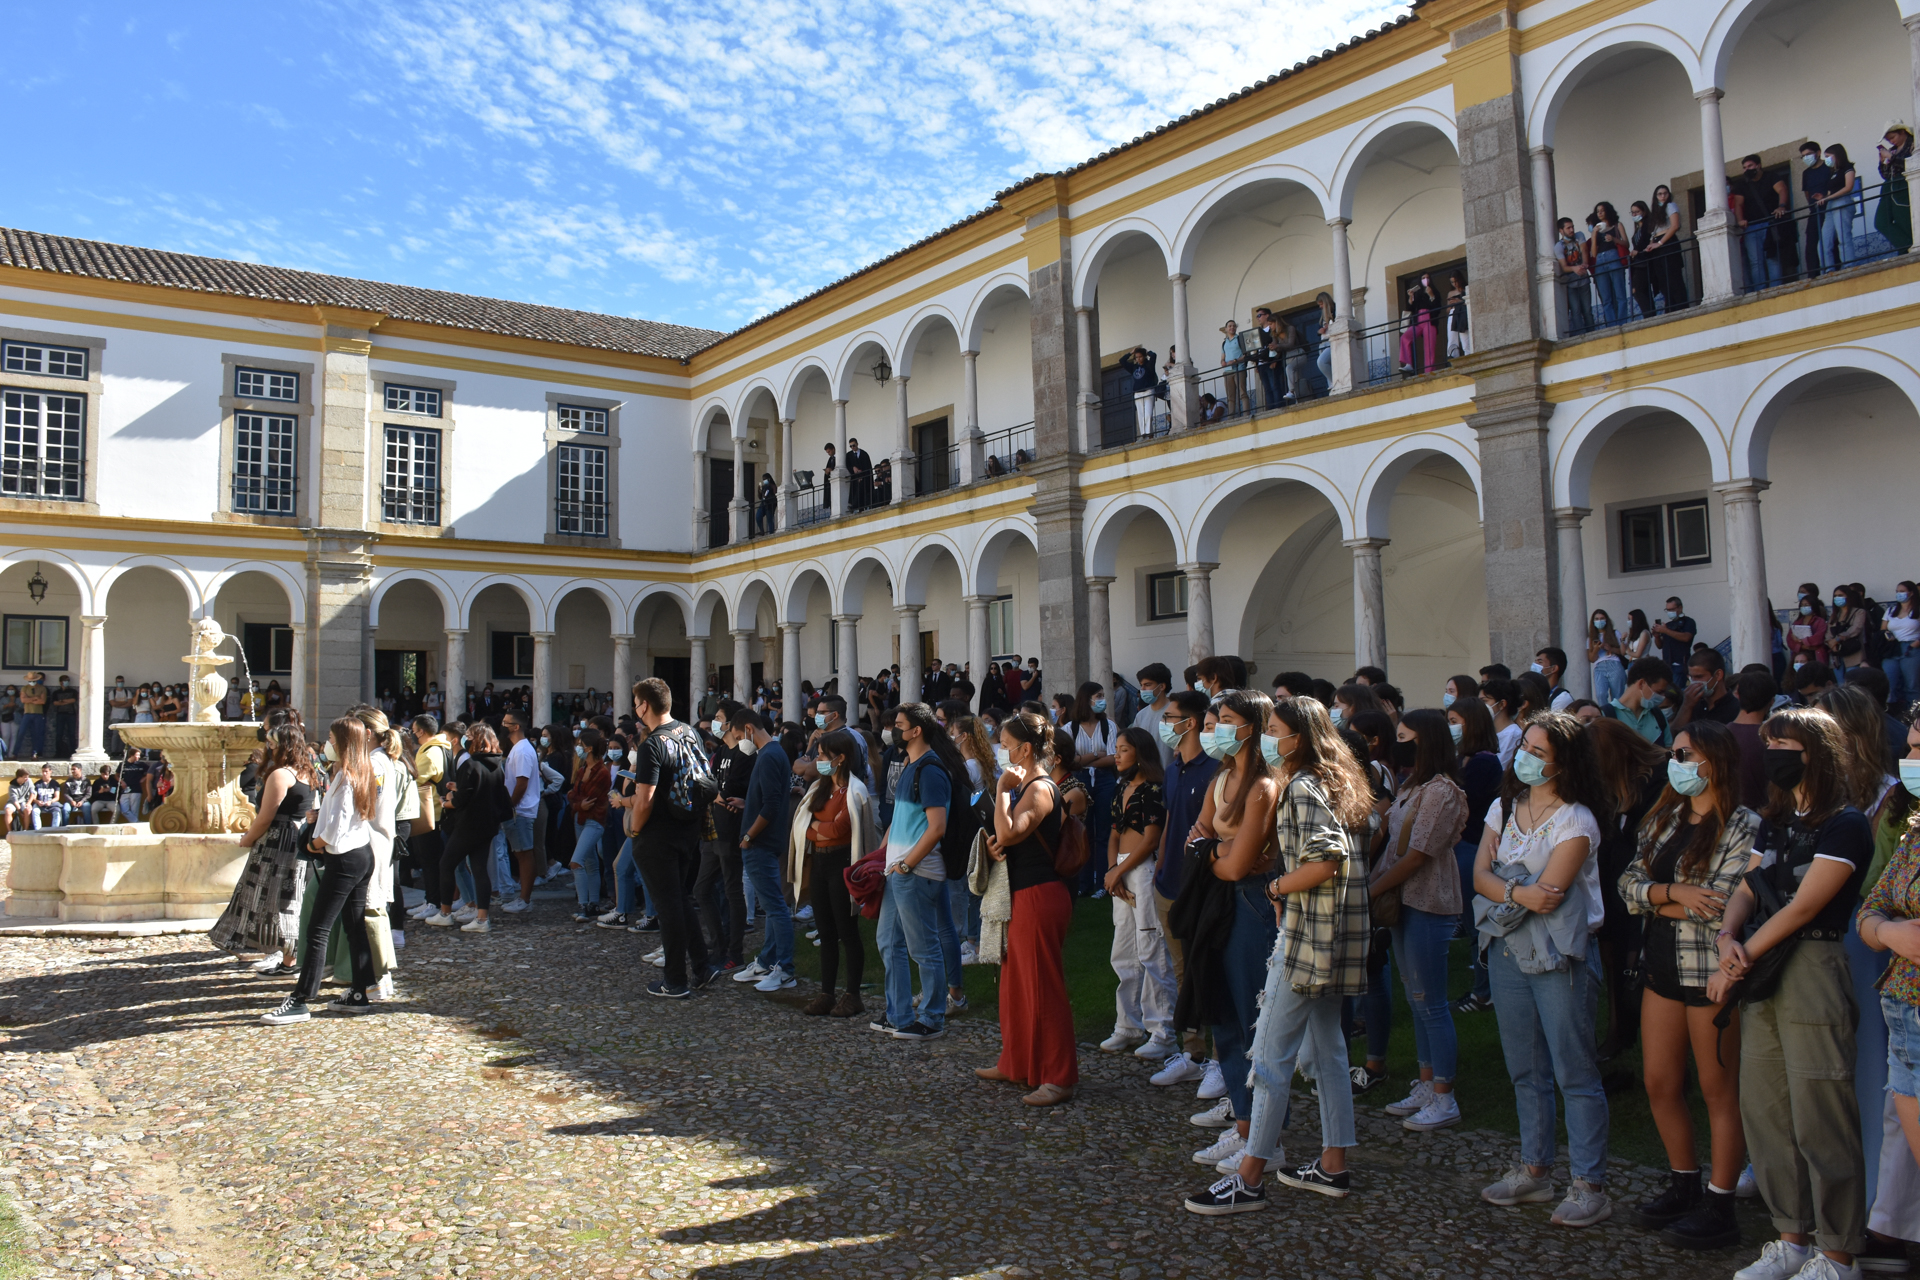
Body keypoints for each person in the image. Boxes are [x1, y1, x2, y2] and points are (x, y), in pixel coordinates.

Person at [1184, 693, 1373, 1213]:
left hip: (1306, 937)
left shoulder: (1303, 787)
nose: (1267, 737)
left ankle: (1250, 1174)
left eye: (1274, 729)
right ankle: (1332, 1165)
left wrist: (1277, 888)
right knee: (1328, 1053)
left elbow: (1327, 858)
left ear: (1298, 738)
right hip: (1338, 936)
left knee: (1267, 1056)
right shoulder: (1338, 782)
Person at [1711, 706, 1869, 1279]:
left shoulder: (1845, 823)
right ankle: (1791, 1237)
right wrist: (1729, 935)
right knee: (1768, 1109)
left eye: (1785, 744)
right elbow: (1749, 886)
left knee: (1821, 1114)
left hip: (1809, 966)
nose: (1773, 752)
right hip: (1761, 967)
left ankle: (1839, 1251)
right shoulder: (1773, 820)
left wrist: (1742, 955)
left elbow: (1807, 905)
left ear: (1817, 753)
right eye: (1769, 741)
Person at [1617, 721, 1758, 1249]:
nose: (1674, 762)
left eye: (1684, 753)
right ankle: (1683, 1183)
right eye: (1674, 752)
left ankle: (1721, 1204)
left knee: (1718, 1089)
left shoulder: (1742, 824)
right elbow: (1628, 884)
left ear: (1714, 760)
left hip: (1710, 973)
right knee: (1660, 1081)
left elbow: (1720, 904)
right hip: (1661, 965)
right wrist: (1673, 890)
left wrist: (1657, 896)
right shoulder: (1667, 814)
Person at [1474, 711, 1613, 1228]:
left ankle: (1589, 1183)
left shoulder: (1576, 820)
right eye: (1524, 747)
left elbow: (1551, 894)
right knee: (1525, 1068)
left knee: (1572, 1068)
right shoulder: (1503, 807)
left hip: (1559, 954)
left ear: (1564, 762)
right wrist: (1516, 890)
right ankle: (1535, 1168)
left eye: (1539, 751)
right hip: (1508, 948)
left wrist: (1504, 888)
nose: (1526, 757)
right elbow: (1482, 877)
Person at [1177, 689, 1281, 1175]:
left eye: (1228, 719)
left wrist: (1214, 853)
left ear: (1253, 727)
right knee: (1222, 1014)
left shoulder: (1263, 784)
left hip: (1250, 904)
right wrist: (1218, 851)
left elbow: (1239, 865)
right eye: (1216, 718)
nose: (1217, 726)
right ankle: (1242, 1122)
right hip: (1215, 902)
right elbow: (1196, 839)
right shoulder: (1222, 776)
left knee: (1249, 1019)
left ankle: (1263, 1135)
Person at [1366, 707, 1469, 1133]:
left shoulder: (1443, 791)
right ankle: (1427, 1083)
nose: (1398, 741)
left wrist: (1370, 891)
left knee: (1432, 1001)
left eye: (1404, 735)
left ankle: (1444, 1094)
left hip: (1428, 902)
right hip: (1402, 903)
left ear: (1423, 740)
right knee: (1416, 998)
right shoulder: (1413, 786)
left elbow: (1418, 854)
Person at [261, 717, 395, 1024]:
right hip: (360, 854)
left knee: (318, 929)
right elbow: (350, 815)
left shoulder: (346, 775)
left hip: (345, 858)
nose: (327, 746)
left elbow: (335, 829)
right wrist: (320, 817)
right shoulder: (362, 771)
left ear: (343, 743)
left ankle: (300, 999)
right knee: (353, 925)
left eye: (332, 740)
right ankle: (359, 993)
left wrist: (314, 844)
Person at [976, 709, 1078, 1105]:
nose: (1001, 752)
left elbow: (1009, 829)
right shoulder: (1026, 786)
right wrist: (993, 845)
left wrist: (1001, 790)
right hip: (1022, 893)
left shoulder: (1038, 788)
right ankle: (1016, 1061)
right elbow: (1005, 837)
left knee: (1043, 986)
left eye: (1005, 746)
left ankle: (1059, 1076)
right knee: (1016, 985)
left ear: (1024, 749)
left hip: (1039, 895)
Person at [1149, 688, 1223, 1090]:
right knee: (1181, 972)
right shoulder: (1175, 767)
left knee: (1207, 970)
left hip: (1203, 886)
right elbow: (1170, 819)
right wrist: (1160, 866)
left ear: (1189, 722)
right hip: (1169, 883)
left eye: (1170, 717)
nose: (1164, 724)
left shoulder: (1213, 768)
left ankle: (1217, 1057)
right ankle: (1192, 1050)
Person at [628, 677, 717, 998]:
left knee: (668, 907)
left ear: (645, 705)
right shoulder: (687, 731)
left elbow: (645, 799)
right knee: (679, 899)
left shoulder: (652, 744)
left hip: (659, 834)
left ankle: (675, 980)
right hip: (689, 826)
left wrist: (635, 828)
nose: (634, 708)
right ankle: (702, 966)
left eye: (636, 702)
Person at [208, 724, 319, 975]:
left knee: (269, 897)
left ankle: (287, 957)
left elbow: (266, 816)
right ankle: (290, 959)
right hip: (298, 838)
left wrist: (248, 838)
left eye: (272, 744)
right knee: (291, 899)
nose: (268, 749)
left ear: (281, 747)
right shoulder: (307, 772)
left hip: (277, 842)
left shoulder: (280, 775)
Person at [1099, 727, 1176, 1061]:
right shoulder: (1121, 788)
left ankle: (1162, 1030)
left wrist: (1119, 871)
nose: (1117, 755)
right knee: (1124, 949)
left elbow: (1149, 839)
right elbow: (1115, 832)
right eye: (1116, 749)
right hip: (1121, 870)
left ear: (1140, 752)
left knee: (1151, 948)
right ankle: (1127, 1024)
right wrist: (1112, 871)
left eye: (1124, 749)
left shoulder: (1153, 790)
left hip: (1142, 871)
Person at [791, 728, 876, 1017]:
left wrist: (817, 829)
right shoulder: (820, 788)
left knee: (847, 931)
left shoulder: (854, 791)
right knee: (826, 932)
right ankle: (827, 992)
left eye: (823, 755)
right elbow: (805, 825)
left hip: (843, 863)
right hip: (821, 864)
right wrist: (819, 830)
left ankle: (853, 995)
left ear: (840, 758)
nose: (818, 759)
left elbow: (840, 829)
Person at [727, 710, 795, 993]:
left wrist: (748, 835)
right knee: (772, 905)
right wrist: (747, 803)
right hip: (765, 839)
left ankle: (785, 968)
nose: (739, 743)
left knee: (776, 908)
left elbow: (772, 805)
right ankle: (768, 960)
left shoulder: (768, 756)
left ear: (747, 729)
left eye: (736, 736)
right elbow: (768, 799)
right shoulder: (773, 753)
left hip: (761, 843)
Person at [424, 722, 506, 934]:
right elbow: (485, 791)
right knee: (479, 869)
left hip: (468, 824)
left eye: (468, 736)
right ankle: (482, 918)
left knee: (446, 864)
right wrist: (458, 789)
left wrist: (447, 801)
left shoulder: (470, 764)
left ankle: (445, 913)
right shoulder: (497, 765)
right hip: (487, 825)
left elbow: (461, 800)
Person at [700, 703, 754, 965]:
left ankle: (735, 952)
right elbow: (708, 787)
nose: (715, 723)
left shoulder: (744, 755)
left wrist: (714, 795)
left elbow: (726, 791)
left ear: (733, 724)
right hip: (712, 829)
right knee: (702, 889)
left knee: (732, 890)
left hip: (730, 829)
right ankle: (718, 944)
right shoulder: (721, 752)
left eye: (720, 718)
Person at [1071, 681, 1120, 897]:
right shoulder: (1069, 728)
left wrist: (1084, 760)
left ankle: (1102, 882)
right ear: (1086, 699)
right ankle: (1084, 882)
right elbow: (1071, 761)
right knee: (1083, 832)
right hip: (1080, 781)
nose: (1102, 699)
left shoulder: (1109, 725)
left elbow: (1112, 758)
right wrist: (1096, 756)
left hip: (1104, 781)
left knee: (1103, 832)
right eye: (1098, 696)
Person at [567, 728, 612, 924]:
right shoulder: (582, 770)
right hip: (581, 818)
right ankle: (593, 903)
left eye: (580, 745)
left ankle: (584, 904)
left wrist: (577, 803)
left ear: (589, 748)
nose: (578, 748)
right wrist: (578, 804)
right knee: (590, 862)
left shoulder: (602, 772)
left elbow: (589, 799)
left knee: (576, 862)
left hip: (594, 820)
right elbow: (573, 796)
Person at [1735, 153, 1792, 291]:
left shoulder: (1771, 177)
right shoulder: (1742, 185)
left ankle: (1775, 289)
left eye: (1750, 166)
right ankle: (1760, 291)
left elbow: (1782, 190)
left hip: (1770, 224)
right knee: (1755, 262)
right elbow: (1738, 204)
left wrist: (1782, 206)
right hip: (1751, 228)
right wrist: (1740, 220)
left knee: (1772, 258)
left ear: (1758, 165)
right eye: (1744, 167)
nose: (1747, 169)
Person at [1606, 657, 1673, 747]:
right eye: (1659, 692)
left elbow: (1668, 750)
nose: (1662, 697)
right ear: (1641, 684)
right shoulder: (1606, 715)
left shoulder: (1658, 716)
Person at [1818, 143, 1860, 275]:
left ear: (1837, 155)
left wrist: (1828, 198)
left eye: (1828, 156)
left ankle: (1849, 265)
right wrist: (1824, 197)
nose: (1826, 160)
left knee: (1843, 237)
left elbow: (1848, 187)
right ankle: (1828, 269)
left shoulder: (1848, 168)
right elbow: (1832, 191)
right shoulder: (1833, 173)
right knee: (1824, 241)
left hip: (1842, 203)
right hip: (1831, 205)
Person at [1587, 203, 1631, 328]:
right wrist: (1594, 234)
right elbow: (1593, 253)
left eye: (1602, 210)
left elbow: (1626, 243)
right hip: (1600, 261)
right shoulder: (1596, 229)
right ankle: (1612, 325)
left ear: (1608, 211)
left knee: (1620, 294)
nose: (1600, 213)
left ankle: (1622, 322)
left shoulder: (1617, 225)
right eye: (1598, 211)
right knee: (1606, 298)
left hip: (1614, 257)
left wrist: (1614, 239)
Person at [1672, 649, 1739, 729]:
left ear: (1718, 675)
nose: (1694, 682)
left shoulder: (1736, 707)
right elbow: (1674, 735)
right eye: (1691, 677)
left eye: (1699, 677)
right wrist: (1686, 706)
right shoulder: (1691, 704)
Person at [1882, 580, 1920, 714]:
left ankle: (1914, 714)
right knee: (1889, 681)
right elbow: (1883, 628)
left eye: (1902, 591)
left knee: (1912, 684)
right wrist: (1888, 636)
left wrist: (1916, 643)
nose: (1899, 594)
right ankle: (1891, 713)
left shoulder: (1917, 610)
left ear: (1911, 593)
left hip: (1911, 648)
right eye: (1897, 591)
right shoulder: (1891, 610)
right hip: (1893, 649)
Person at [1876, 123, 1914, 253]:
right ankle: (1907, 246)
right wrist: (1882, 162)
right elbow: (1885, 175)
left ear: (1903, 132)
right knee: (1880, 222)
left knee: (1904, 220)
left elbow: (1911, 166)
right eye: (1888, 139)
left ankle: (1908, 248)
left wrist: (1891, 157)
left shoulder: (1913, 145)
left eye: (1893, 137)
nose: (1891, 141)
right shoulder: (1892, 150)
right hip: (1889, 187)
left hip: (1903, 186)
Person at [1801, 141, 1837, 277]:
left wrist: (1824, 197)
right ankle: (1813, 275)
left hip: (1829, 208)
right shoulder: (1806, 173)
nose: (1806, 158)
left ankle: (1834, 269)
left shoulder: (1829, 167)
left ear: (1818, 153)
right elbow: (1807, 193)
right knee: (1811, 241)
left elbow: (1835, 185)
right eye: (1803, 156)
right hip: (1814, 211)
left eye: (1808, 154)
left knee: (1831, 240)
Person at [1553, 217, 1594, 333]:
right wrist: (1575, 268)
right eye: (1568, 228)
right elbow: (1564, 267)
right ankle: (1581, 335)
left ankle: (1592, 332)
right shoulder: (1559, 246)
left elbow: (1584, 250)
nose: (1572, 230)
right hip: (1571, 283)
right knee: (1575, 311)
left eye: (1572, 227)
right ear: (1561, 230)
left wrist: (1585, 264)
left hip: (1583, 279)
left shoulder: (1579, 235)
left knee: (1587, 310)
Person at [1652, 597, 1697, 685]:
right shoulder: (1668, 625)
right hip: (1667, 666)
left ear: (1680, 608)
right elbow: (1660, 646)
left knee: (1676, 692)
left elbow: (1686, 637)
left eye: (1672, 609)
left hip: (1680, 665)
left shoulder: (1689, 622)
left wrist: (1665, 631)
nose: (1669, 612)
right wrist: (1657, 636)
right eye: (1667, 610)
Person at [1830, 584, 1869, 684]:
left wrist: (1838, 638)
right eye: (1835, 596)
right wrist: (1831, 643)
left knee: (1852, 684)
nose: (1837, 598)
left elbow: (1856, 628)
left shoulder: (1859, 612)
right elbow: (1828, 632)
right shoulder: (1834, 615)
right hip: (1837, 656)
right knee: (1840, 685)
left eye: (1840, 595)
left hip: (1853, 653)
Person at [1588, 609, 1627, 707]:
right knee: (1600, 694)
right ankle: (1605, 717)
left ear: (1606, 620)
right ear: (1593, 621)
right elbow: (1591, 658)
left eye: (1602, 618)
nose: (1599, 621)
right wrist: (1596, 648)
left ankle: (1618, 719)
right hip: (1599, 667)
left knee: (1617, 696)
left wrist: (1610, 648)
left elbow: (1622, 652)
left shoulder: (1615, 633)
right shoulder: (1590, 638)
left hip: (1614, 664)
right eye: (1597, 619)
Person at [17, 672, 46, 760]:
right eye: (30, 680)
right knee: (21, 733)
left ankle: (35, 753)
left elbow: (42, 701)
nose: (32, 682)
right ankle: (15, 753)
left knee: (37, 734)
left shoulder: (42, 688)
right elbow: (23, 700)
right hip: (27, 713)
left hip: (38, 713)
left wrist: (29, 699)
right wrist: (35, 698)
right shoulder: (24, 688)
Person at [1444, 272, 1470, 359]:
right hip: (1453, 313)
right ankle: (1453, 356)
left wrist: (1459, 302)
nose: (1454, 284)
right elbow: (1447, 310)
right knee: (1452, 337)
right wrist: (1452, 304)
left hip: (1462, 314)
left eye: (1456, 281)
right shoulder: (1451, 293)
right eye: (1452, 282)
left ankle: (1468, 355)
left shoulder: (1466, 290)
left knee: (1465, 338)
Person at [845, 437, 873, 511]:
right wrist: (853, 468)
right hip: (855, 479)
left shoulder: (864, 454)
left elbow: (868, 467)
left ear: (857, 444)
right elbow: (847, 465)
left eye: (853, 445)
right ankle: (855, 506)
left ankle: (856, 506)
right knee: (856, 492)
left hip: (864, 478)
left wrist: (862, 475)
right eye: (851, 446)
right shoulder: (848, 455)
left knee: (862, 492)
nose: (852, 447)